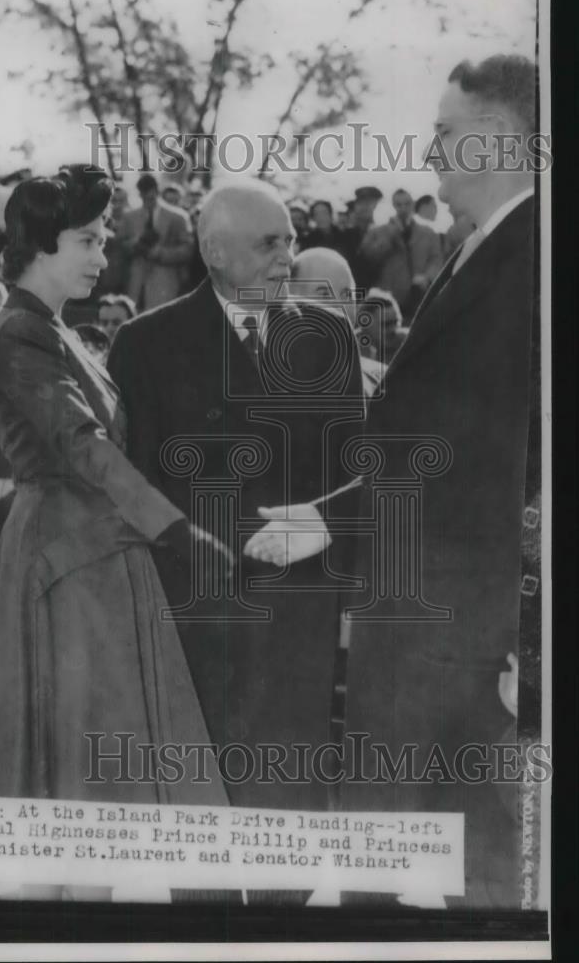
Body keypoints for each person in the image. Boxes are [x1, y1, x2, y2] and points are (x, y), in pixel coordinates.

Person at [245, 54, 539, 908]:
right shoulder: (482, 251)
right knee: (452, 850)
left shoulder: (523, 259)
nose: (430, 152)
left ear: (496, 142)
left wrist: (333, 518)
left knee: (410, 848)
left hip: (443, 613)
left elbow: (464, 447)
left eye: (445, 134)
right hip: (434, 603)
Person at [0, 170, 230, 827]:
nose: (103, 257)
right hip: (65, 556)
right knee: (78, 781)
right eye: (88, 239)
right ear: (41, 242)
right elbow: (84, 445)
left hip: (93, 551)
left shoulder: (55, 329)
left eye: (103, 239)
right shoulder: (23, 330)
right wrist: (177, 531)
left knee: (90, 778)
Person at [109, 179, 365, 824]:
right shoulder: (144, 344)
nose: (286, 258)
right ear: (214, 251)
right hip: (195, 608)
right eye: (268, 244)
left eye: (291, 242)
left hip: (298, 611)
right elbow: (133, 482)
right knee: (199, 813)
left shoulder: (330, 340)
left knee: (288, 811)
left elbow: (363, 470)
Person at [290, 246, 385, 399]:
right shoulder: (260, 383)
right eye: (324, 294)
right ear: (290, 299)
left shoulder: (382, 383)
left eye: (346, 295)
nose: (338, 307)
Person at [359, 188, 442, 324]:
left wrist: (427, 277)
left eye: (407, 204)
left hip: (419, 299)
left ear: (413, 205)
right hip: (387, 304)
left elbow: (437, 259)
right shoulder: (376, 232)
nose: (403, 209)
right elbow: (369, 258)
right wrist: (391, 234)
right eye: (398, 205)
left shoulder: (428, 232)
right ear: (392, 207)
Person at [116, 172, 193, 310]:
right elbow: (119, 247)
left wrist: (160, 253)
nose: (147, 200)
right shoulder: (129, 217)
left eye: (150, 195)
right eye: (144, 196)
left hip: (165, 282)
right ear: (139, 194)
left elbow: (187, 250)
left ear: (157, 191)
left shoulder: (177, 217)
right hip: (136, 282)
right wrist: (135, 243)